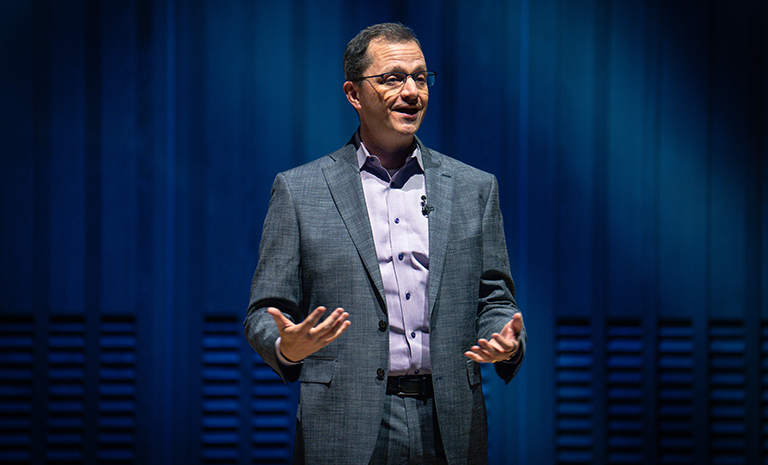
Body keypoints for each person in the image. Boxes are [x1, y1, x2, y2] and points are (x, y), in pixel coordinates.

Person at [244, 22, 526, 465]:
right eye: (394, 78)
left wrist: (506, 339)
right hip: (346, 425)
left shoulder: (474, 188)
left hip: (449, 422)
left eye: (420, 77)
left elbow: (494, 300)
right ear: (354, 94)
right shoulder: (301, 191)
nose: (412, 91)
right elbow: (264, 312)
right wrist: (286, 347)